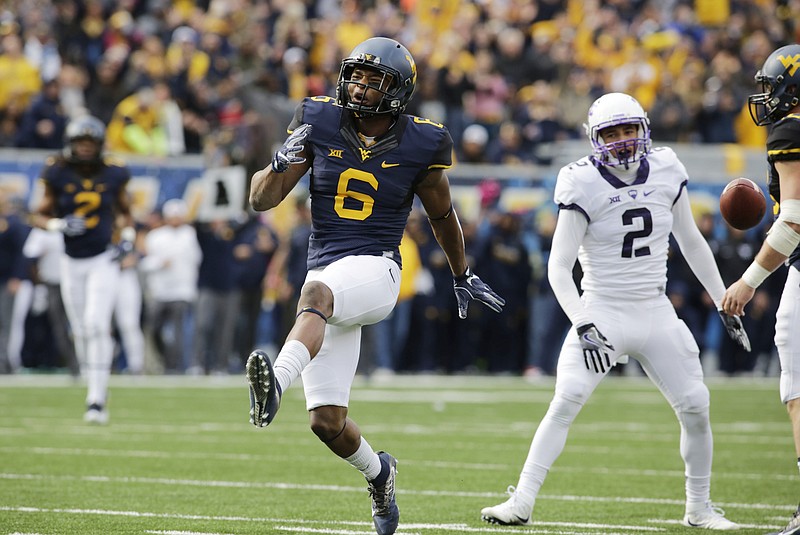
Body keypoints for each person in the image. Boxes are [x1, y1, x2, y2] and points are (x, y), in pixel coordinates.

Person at [245, 37, 505, 535]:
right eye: (356, 76)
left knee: (316, 295)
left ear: (399, 90)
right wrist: (279, 161)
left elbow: (443, 215)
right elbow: (262, 200)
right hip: (324, 279)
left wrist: (461, 272)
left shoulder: (423, 141)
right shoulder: (318, 120)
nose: (359, 86)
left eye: (373, 80)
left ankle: (274, 383)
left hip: (380, 269)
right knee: (327, 422)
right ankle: (380, 473)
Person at [480, 92, 750, 530]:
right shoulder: (581, 181)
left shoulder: (667, 167)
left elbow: (691, 241)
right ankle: (521, 502)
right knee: (566, 399)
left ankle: (699, 507)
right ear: (594, 138)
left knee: (697, 404)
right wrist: (582, 321)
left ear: (644, 129)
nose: (622, 141)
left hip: (655, 308)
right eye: (611, 133)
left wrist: (723, 299)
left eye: (628, 130)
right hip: (603, 309)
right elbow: (558, 268)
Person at [721, 44, 800, 535]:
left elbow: (794, 219)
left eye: (773, 87)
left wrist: (748, 283)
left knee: (799, 386)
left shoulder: (790, 128)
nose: (766, 98)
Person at [33, 114, 134, 424]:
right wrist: (58, 224)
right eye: (81, 142)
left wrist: (127, 239)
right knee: (80, 330)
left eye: (91, 143)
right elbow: (37, 214)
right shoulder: (57, 171)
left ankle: (96, 399)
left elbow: (126, 213)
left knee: (94, 324)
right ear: (71, 144)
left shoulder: (115, 172)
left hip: (101, 259)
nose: (87, 149)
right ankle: (94, 387)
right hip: (69, 261)